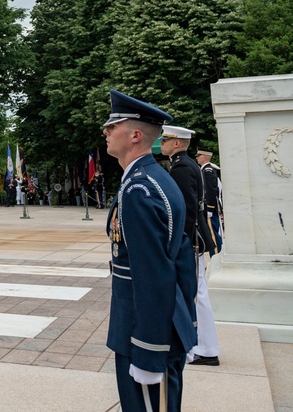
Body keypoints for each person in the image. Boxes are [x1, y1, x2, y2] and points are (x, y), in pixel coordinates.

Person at [102, 90, 196, 412]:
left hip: (143, 330)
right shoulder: (154, 179)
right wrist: (187, 324)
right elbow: (183, 257)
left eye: (113, 126)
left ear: (136, 135)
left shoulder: (140, 190)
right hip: (160, 323)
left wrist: (148, 351)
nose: (106, 131)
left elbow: (154, 276)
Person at [160, 126, 221, 368]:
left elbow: (184, 211)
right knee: (197, 292)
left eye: (165, 139)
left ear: (176, 143)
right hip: (193, 239)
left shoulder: (182, 167)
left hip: (190, 241)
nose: (162, 143)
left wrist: (178, 243)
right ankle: (202, 347)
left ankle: (206, 348)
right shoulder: (185, 164)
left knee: (196, 294)